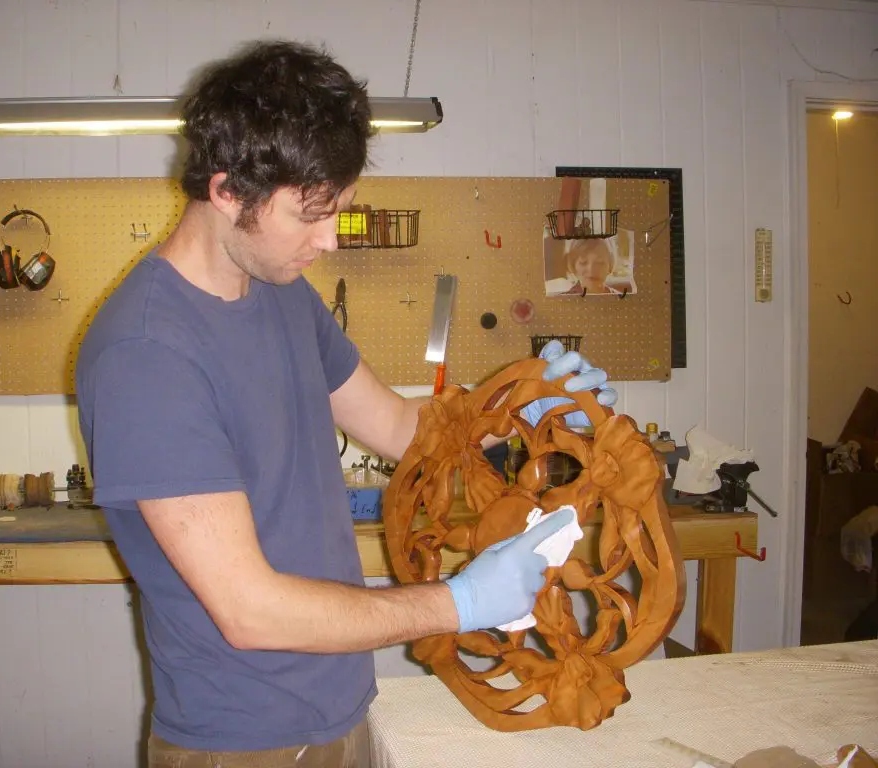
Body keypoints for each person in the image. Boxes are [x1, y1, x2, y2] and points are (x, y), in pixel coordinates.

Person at [75, 39, 617, 768]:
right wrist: (457, 602)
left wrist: (526, 414)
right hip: (241, 741)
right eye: (310, 214)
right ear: (227, 190)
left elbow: (397, 426)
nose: (329, 239)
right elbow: (249, 610)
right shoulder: (145, 355)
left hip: (341, 706)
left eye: (341, 210)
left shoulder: (283, 294)